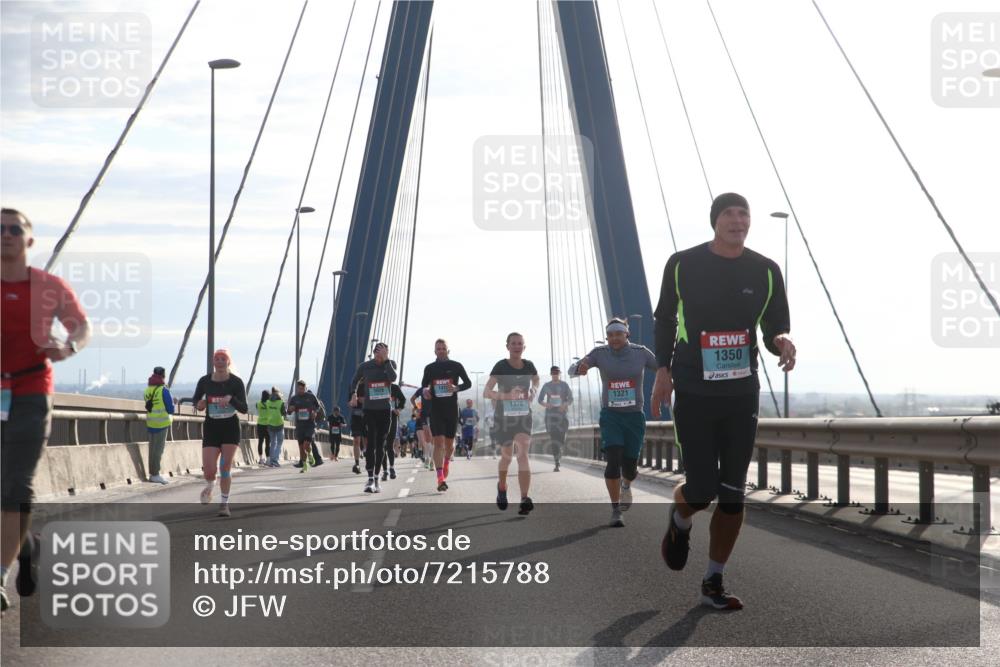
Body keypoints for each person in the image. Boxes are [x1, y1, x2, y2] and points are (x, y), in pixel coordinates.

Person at [652, 192, 794, 611]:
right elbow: (664, 317)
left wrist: (780, 341)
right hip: (694, 389)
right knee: (701, 489)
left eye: (743, 213)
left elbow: (773, 324)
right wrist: (663, 370)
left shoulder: (766, 270)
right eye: (729, 213)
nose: (738, 219)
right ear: (715, 221)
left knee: (733, 493)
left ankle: (713, 579)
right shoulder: (683, 264)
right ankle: (680, 517)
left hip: (740, 392)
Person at [1, 207, 90, 612]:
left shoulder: (49, 287)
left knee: (16, 485)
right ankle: (28, 546)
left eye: (14, 229)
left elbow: (80, 327)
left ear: (29, 241)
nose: (6, 235)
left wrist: (68, 347)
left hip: (31, 391)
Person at [569, 319, 657, 527]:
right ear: (607, 337)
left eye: (619, 333)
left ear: (627, 334)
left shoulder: (641, 352)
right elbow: (575, 368)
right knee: (613, 461)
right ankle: (616, 509)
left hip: (634, 417)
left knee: (630, 468)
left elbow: (663, 367)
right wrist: (579, 368)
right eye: (611, 335)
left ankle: (626, 485)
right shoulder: (600, 353)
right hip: (611, 416)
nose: (615, 338)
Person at [484, 333, 539, 515]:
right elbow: (486, 392)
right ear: (507, 346)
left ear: (524, 347)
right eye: (513, 343)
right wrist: (507, 396)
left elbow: (536, 379)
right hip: (504, 418)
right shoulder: (501, 366)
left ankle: (524, 498)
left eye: (520, 344)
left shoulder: (529, 365)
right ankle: (502, 487)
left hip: (523, 416)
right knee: (507, 457)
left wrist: (534, 390)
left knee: (523, 455)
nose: (517, 346)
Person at [192, 348, 248, 518]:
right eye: (217, 358)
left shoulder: (236, 382)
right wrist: (199, 404)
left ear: (228, 362)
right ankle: (210, 486)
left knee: (225, 467)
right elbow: (196, 400)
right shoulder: (205, 381)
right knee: (209, 470)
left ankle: (224, 504)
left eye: (223, 358)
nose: (220, 361)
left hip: (230, 428)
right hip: (211, 428)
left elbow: (244, 409)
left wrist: (231, 399)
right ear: (213, 362)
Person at [420, 339, 472, 492]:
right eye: (438, 348)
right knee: (438, 444)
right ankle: (440, 478)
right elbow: (424, 385)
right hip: (436, 410)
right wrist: (425, 391)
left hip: (451, 410)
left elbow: (468, 383)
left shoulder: (456, 366)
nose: (441, 350)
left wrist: (457, 388)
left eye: (444, 348)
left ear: (448, 350)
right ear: (434, 351)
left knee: (449, 445)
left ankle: (447, 462)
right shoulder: (429, 368)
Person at [349, 342, 398, 493]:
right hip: (369, 410)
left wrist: (386, 360)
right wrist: (354, 394)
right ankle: (370, 478)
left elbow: (393, 378)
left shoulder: (389, 365)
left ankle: (376, 478)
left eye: (383, 352)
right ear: (374, 352)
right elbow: (354, 381)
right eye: (378, 352)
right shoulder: (365, 366)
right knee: (370, 445)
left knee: (380, 445)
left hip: (384, 411)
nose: (380, 355)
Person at [538, 365, 572, 472]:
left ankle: (559, 452)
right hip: (550, 416)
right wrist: (546, 404)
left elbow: (571, 399)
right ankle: (556, 462)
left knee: (561, 440)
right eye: (553, 373)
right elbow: (540, 400)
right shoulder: (546, 386)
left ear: (559, 373)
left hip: (562, 416)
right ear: (551, 374)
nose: (555, 374)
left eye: (557, 373)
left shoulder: (564, 385)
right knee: (553, 440)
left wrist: (565, 405)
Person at [145, 366, 176, 483]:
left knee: (152, 449)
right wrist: (174, 402)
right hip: (161, 424)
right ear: (163, 375)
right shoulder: (164, 390)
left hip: (151, 422)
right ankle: (155, 474)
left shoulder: (148, 389)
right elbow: (170, 409)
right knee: (158, 450)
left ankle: (152, 473)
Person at [288, 381, 322, 472]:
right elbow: (289, 411)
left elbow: (318, 406)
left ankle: (311, 456)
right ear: (297, 389)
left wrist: (315, 412)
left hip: (310, 425)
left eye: (303, 389)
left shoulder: (311, 397)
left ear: (306, 388)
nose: (301, 390)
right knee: (301, 447)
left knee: (306, 445)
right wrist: (290, 410)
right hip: (299, 426)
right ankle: (304, 465)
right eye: (299, 389)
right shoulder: (294, 398)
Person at [381, 383, 407, 481]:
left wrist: (398, 409)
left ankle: (391, 468)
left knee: (389, 445)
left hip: (392, 417)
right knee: (382, 445)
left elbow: (403, 399)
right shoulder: (378, 385)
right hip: (380, 418)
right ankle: (384, 471)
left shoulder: (395, 387)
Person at [264, 387, 287, 467]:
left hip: (270, 424)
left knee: (273, 443)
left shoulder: (267, 402)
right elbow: (284, 413)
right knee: (279, 443)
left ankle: (271, 461)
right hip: (279, 424)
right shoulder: (281, 402)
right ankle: (275, 460)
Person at [349, 394, 366, 474]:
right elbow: (349, 404)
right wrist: (353, 399)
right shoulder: (354, 387)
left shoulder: (369, 383)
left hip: (367, 419)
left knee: (367, 442)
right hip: (356, 420)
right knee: (356, 441)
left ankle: (369, 460)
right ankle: (357, 464)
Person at [254, 389, 271, 465]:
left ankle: (261, 459)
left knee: (260, 442)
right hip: (268, 425)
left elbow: (258, 408)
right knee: (268, 443)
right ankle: (268, 459)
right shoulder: (269, 404)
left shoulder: (258, 403)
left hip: (260, 424)